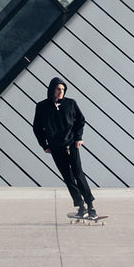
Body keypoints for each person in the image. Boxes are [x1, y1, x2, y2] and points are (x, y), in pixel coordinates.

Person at [32, 77, 96, 219]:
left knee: (78, 174)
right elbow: (37, 128)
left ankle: (91, 206)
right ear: (52, 90)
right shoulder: (42, 106)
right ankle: (80, 207)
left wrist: (78, 137)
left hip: (71, 145)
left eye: (63, 89)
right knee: (68, 177)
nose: (61, 92)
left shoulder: (71, 104)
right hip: (55, 148)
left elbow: (81, 120)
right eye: (58, 89)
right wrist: (44, 145)